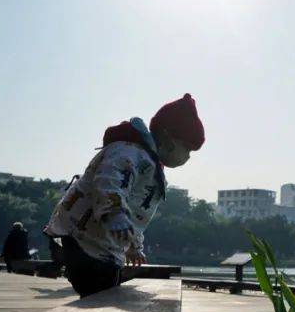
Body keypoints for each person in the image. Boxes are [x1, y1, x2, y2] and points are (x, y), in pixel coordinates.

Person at [44, 94, 204, 296]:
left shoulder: (149, 165)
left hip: (105, 246)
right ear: (169, 139)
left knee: (105, 289)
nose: (187, 157)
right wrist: (115, 213)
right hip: (84, 236)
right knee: (97, 290)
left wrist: (133, 245)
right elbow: (109, 180)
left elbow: (137, 213)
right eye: (187, 150)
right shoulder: (129, 153)